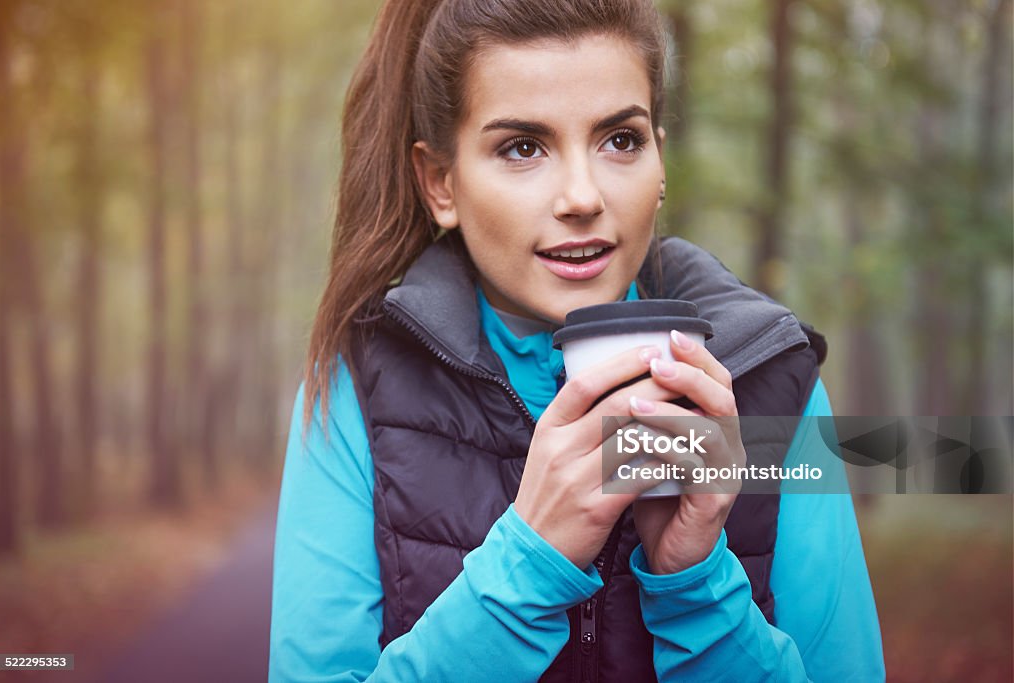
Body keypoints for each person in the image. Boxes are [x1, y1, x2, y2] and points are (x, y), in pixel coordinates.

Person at [269, 0, 886, 680]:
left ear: (659, 160)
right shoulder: (356, 391)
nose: (582, 195)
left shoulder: (775, 385)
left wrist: (697, 588)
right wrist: (527, 567)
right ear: (440, 183)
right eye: (522, 147)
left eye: (620, 139)